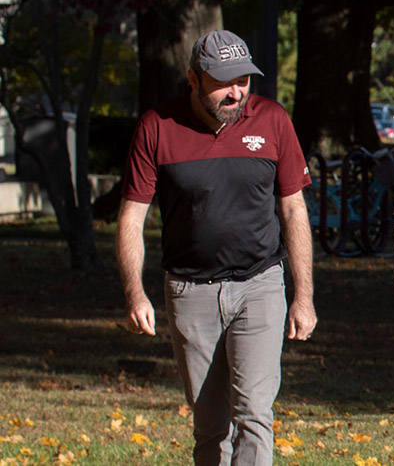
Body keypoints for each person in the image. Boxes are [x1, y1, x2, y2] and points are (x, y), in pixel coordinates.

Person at [117, 29, 317, 466]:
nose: (236, 91)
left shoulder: (272, 120)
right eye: (223, 80)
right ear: (193, 78)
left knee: (254, 415)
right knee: (210, 425)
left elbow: (294, 210)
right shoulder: (158, 126)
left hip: (260, 285)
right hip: (190, 292)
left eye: (243, 79)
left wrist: (303, 296)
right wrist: (135, 293)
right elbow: (132, 216)